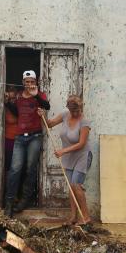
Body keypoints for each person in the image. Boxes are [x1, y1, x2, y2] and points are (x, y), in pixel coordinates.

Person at [40, 95, 92, 227]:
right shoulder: (64, 114)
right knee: (70, 187)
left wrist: (63, 151)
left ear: (80, 108)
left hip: (82, 155)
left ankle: (86, 217)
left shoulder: (84, 121)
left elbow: (81, 144)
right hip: (69, 157)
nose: (76, 113)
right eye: (73, 111)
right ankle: (73, 216)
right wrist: (42, 116)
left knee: (76, 185)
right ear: (68, 108)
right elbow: (49, 124)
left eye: (78, 111)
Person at [3, 70, 50, 217]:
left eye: (32, 81)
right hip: (19, 138)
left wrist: (36, 95)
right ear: (23, 82)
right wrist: (8, 103)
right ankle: (9, 203)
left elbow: (46, 106)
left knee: (30, 169)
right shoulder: (18, 97)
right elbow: (17, 113)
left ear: (36, 82)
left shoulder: (39, 95)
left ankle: (24, 200)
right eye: (27, 82)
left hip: (34, 136)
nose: (29, 84)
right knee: (15, 169)